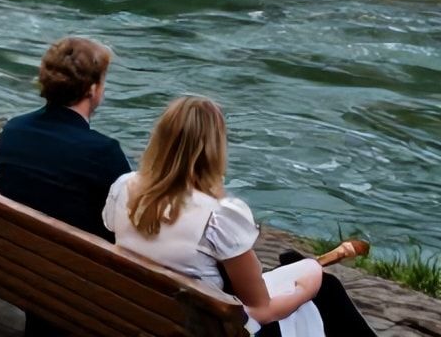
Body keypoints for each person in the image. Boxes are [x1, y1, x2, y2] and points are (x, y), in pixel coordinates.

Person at [105, 97, 376, 336]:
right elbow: (261, 309)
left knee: (307, 278)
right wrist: (307, 288)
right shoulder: (218, 216)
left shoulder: (123, 187)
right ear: (214, 150)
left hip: (143, 312)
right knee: (323, 288)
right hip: (205, 327)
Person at [0, 37, 131, 337]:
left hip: (18, 262)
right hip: (79, 281)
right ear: (93, 89)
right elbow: (127, 226)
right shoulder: (103, 152)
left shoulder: (15, 129)